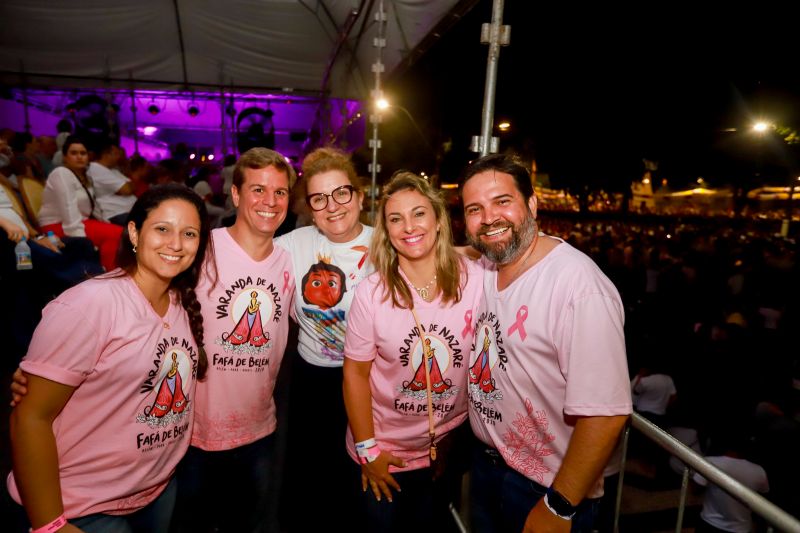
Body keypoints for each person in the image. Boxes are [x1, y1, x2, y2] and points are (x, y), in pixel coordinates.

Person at [7, 183, 213, 533]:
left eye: (189, 233)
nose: (176, 244)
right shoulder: (89, 306)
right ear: (134, 231)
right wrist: (50, 524)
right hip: (85, 507)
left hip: (156, 491)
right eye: (162, 229)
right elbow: (29, 418)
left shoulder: (182, 302)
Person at [460, 153, 631, 533]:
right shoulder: (488, 266)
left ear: (532, 204)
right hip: (487, 467)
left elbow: (606, 413)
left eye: (502, 202)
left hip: (546, 486)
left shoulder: (579, 287)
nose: (488, 218)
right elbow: (446, 255)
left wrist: (560, 505)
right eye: (475, 209)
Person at [342, 171, 483, 532]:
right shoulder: (371, 294)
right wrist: (368, 451)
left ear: (438, 220)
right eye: (395, 218)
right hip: (385, 454)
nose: (409, 226)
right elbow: (355, 376)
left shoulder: (478, 278)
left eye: (419, 213)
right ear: (386, 231)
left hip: (446, 451)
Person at [171, 147, 296, 533]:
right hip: (191, 436)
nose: (269, 202)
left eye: (280, 192)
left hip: (259, 432)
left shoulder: (291, 259)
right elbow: (140, 301)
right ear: (236, 195)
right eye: (258, 190)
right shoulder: (200, 248)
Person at [274, 146, 375, 532]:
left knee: (360, 479)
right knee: (311, 479)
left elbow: (439, 258)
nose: (332, 206)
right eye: (319, 198)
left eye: (341, 193)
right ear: (310, 207)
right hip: (311, 379)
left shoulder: (386, 244)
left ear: (359, 195)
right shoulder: (292, 245)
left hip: (368, 380)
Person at [38, 135, 123, 271]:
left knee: (118, 232)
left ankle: (109, 271)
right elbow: (68, 207)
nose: (79, 157)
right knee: (116, 233)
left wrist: (105, 223)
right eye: (74, 153)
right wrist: (83, 241)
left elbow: (93, 207)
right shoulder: (61, 173)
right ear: (65, 157)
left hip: (80, 221)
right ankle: (108, 274)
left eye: (83, 153)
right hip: (56, 225)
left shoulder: (85, 177)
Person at [89, 142, 137, 225]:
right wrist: (125, 188)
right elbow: (127, 190)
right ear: (106, 154)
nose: (119, 157)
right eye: (116, 154)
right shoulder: (96, 169)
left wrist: (124, 189)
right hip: (116, 213)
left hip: (128, 211)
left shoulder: (113, 170)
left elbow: (133, 186)